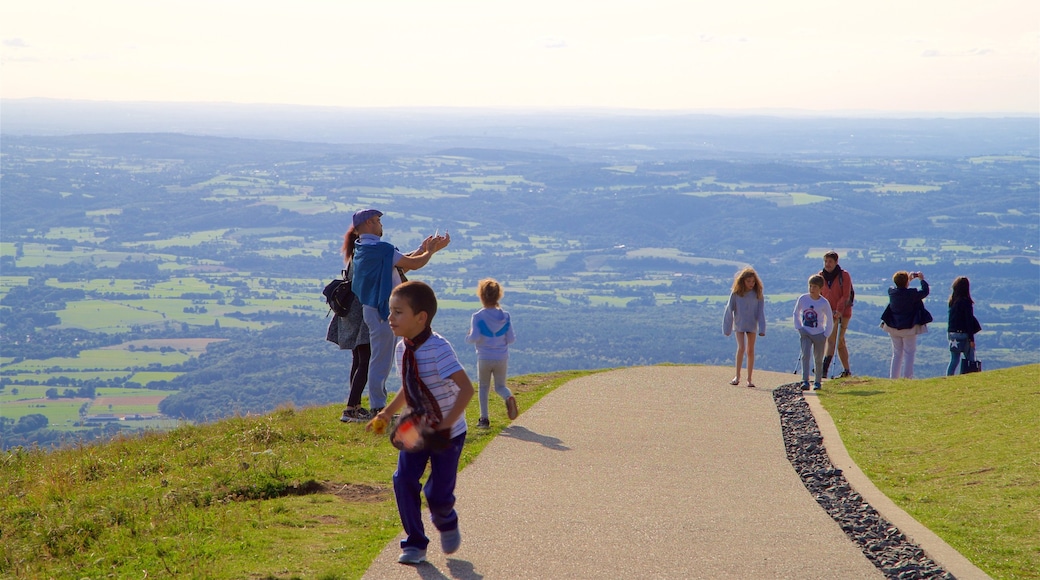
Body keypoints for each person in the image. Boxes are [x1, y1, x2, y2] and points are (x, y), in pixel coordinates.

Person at [366, 281, 474, 566]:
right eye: (390, 311)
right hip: (416, 426)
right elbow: (408, 385)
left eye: (398, 312)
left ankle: (446, 520)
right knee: (402, 480)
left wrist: (446, 425)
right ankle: (415, 543)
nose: (390, 318)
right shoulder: (402, 348)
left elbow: (466, 389)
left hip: (448, 432)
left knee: (437, 495)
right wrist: (387, 413)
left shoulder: (439, 349)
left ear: (421, 317)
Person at [350, 208, 450, 416]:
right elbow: (413, 263)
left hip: (373, 309)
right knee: (381, 359)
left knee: (381, 357)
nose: (381, 224)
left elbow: (401, 264)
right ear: (369, 223)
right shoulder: (380, 249)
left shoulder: (364, 247)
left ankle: (381, 403)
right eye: (377, 220)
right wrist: (429, 251)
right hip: (381, 311)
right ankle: (378, 405)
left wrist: (423, 248)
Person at [465, 278, 518, 428]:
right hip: (502, 357)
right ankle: (508, 397)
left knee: (483, 387)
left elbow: (474, 337)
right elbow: (511, 339)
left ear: (481, 295)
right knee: (500, 386)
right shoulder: (505, 316)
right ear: (498, 295)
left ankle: (484, 419)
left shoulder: (478, 316)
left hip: (484, 358)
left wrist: (468, 336)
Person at [334, 228, 371, 422]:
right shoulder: (363, 254)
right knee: (365, 360)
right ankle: (350, 408)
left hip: (350, 312)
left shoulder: (353, 255)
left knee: (358, 359)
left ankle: (355, 406)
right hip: (361, 312)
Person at [881, 270, 931, 379]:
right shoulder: (912, 294)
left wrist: (907, 280)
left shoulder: (891, 292)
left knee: (897, 353)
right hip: (909, 328)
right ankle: (908, 377)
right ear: (906, 282)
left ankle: (894, 378)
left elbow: (901, 289)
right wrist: (922, 279)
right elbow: (925, 291)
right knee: (909, 353)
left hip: (893, 327)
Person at [722, 267, 766, 387]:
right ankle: (737, 376)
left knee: (750, 350)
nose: (751, 284)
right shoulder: (736, 293)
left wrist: (762, 328)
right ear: (742, 281)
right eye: (748, 281)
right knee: (741, 348)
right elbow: (729, 310)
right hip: (739, 324)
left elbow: (760, 312)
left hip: (752, 324)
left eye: (753, 281)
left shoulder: (757, 294)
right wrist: (727, 328)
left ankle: (749, 379)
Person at [793, 275, 833, 391]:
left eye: (814, 287)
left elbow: (829, 319)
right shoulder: (803, 299)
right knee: (805, 355)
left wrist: (826, 334)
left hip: (819, 334)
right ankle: (805, 380)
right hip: (805, 332)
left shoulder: (824, 303)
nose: (812, 289)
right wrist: (799, 327)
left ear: (820, 288)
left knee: (818, 358)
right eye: (810, 286)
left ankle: (817, 381)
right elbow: (796, 313)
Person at [819, 251, 853, 379]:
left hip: (843, 314)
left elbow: (846, 295)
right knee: (840, 342)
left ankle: (823, 370)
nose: (827, 264)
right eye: (826, 261)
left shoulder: (843, 276)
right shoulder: (821, 276)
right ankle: (847, 371)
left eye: (830, 262)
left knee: (832, 339)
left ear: (836, 262)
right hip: (829, 313)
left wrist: (839, 310)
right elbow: (820, 295)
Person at [947, 276, 982, 376]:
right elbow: (969, 321)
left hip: (952, 334)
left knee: (954, 360)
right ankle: (969, 377)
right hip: (964, 334)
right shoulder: (966, 302)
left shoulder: (952, 302)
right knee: (970, 359)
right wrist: (971, 339)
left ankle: (948, 379)